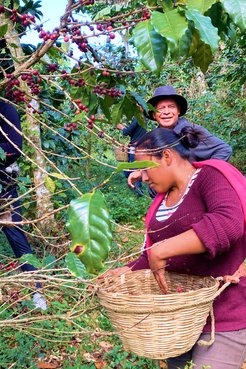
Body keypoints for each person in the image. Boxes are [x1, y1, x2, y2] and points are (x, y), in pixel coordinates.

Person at [107, 127, 246, 369]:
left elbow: (228, 223)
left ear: (168, 156)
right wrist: (127, 270)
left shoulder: (209, 177)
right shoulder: (161, 201)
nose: (145, 177)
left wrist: (162, 249)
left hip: (224, 313)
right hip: (179, 317)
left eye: (146, 168)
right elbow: (151, 254)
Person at [128, 85, 233, 192]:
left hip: (194, 193)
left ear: (178, 111)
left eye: (171, 107)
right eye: (161, 108)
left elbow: (224, 150)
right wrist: (142, 172)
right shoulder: (155, 138)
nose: (166, 112)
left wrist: (203, 176)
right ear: (154, 115)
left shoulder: (190, 131)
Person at [0, 100, 47, 310]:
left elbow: (13, 148)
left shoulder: (6, 109)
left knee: (16, 236)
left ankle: (38, 289)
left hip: (4, 186)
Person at [117, 116, 147, 196]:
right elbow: (133, 132)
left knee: (133, 167)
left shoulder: (138, 118)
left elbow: (127, 132)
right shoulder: (143, 118)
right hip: (139, 145)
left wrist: (122, 128)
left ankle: (137, 190)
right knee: (135, 166)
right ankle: (134, 186)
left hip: (135, 146)